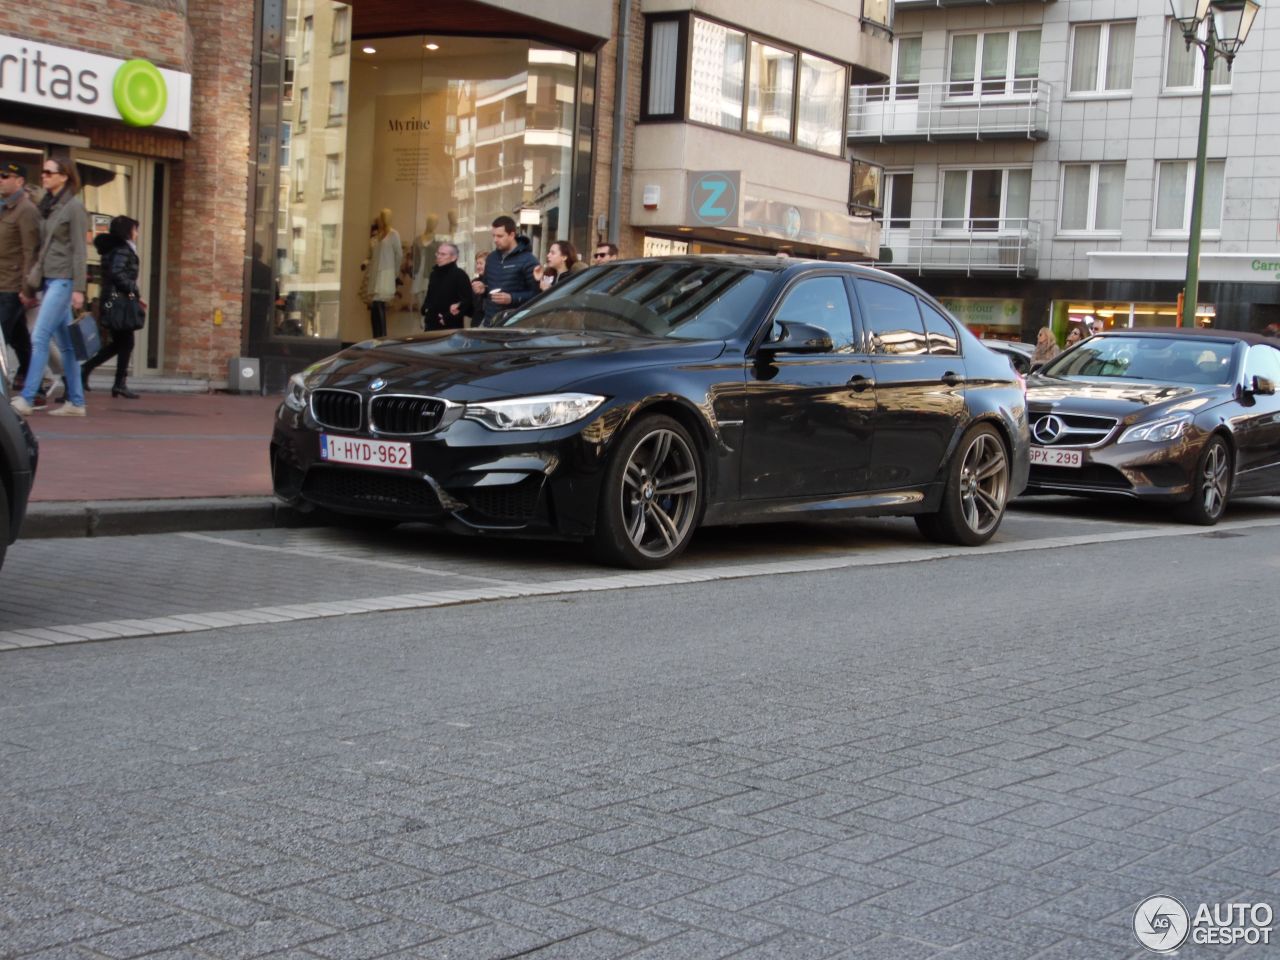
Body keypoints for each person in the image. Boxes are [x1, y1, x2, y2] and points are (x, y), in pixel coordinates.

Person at [11, 156, 88, 417]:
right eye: (43, 172)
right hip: (50, 279)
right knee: (66, 345)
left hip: (64, 280)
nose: (43, 175)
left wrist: (79, 288)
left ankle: (28, 397)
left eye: (48, 172)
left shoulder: (74, 208)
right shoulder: (50, 205)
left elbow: (79, 250)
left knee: (39, 336)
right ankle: (76, 402)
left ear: (64, 176)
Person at [80, 216, 144, 399]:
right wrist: (134, 289)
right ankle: (117, 383)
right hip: (119, 300)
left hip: (114, 298)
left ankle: (91, 371)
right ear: (127, 231)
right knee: (126, 342)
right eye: (135, 229)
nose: (137, 234)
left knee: (120, 343)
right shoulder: (123, 250)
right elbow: (117, 273)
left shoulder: (114, 249)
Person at [0, 161, 39, 393]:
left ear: (20, 181)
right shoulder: (5, 208)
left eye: (5, 176)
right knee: (18, 338)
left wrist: (28, 288)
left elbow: (30, 252)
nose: (1, 179)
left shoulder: (27, 211)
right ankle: (34, 380)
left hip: (12, 286)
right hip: (1, 282)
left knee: (3, 335)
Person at [472, 216, 538, 325]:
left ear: (512, 235)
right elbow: (488, 287)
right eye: (493, 236)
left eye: (500, 236)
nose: (495, 240)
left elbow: (537, 294)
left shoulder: (529, 260)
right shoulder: (491, 258)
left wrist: (512, 298)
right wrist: (483, 289)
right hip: (490, 322)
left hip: (514, 324)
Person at [421, 243, 471, 330]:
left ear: (454, 258)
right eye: (438, 253)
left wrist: (448, 317)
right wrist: (425, 308)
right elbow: (430, 295)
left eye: (443, 254)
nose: (439, 256)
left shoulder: (460, 275)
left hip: (450, 325)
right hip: (431, 323)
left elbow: (467, 302)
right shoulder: (434, 274)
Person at [369, 208, 401, 338]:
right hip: (376, 272)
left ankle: (382, 336)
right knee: (375, 304)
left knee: (379, 302)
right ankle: (376, 336)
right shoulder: (377, 236)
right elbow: (372, 256)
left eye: (387, 216)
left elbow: (399, 254)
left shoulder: (394, 235)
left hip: (387, 272)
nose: (384, 219)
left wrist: (396, 273)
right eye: (383, 216)